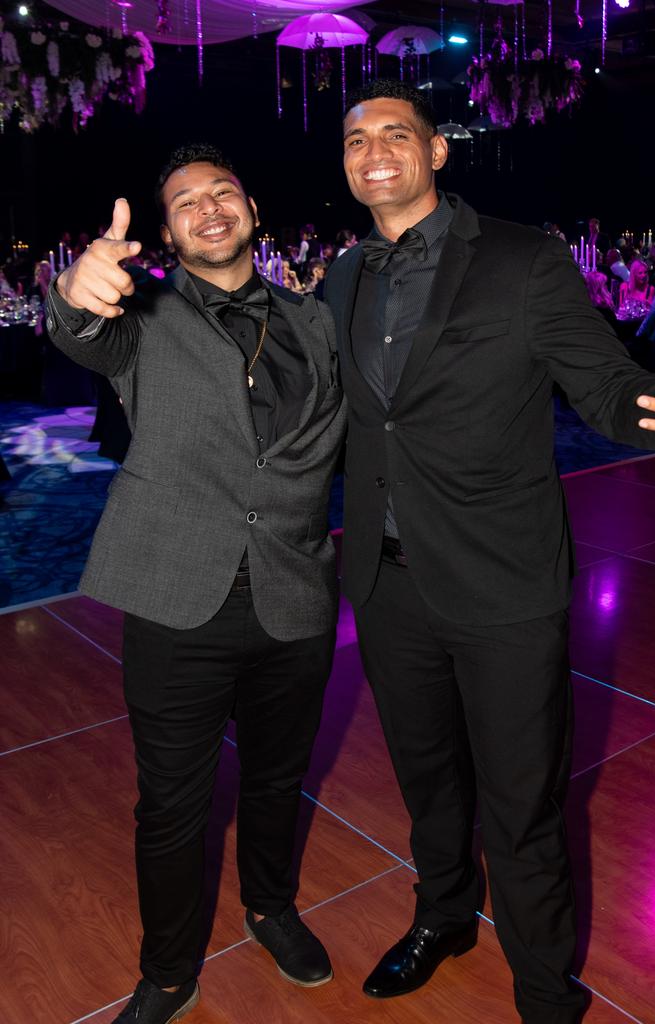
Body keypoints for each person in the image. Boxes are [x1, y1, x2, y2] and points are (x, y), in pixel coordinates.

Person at [323, 80, 655, 1024]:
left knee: (522, 803)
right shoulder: (343, 275)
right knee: (427, 782)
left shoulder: (521, 260)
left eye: (395, 133)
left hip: (503, 583)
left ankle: (546, 991)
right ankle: (445, 917)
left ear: (437, 152)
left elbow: (599, 389)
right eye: (355, 138)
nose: (373, 150)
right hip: (385, 582)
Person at [45, 143, 346, 1024]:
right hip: (180, 597)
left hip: (295, 593)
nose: (207, 208)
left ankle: (271, 907)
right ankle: (170, 970)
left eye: (222, 193)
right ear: (168, 231)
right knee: (171, 805)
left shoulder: (316, 319)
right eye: (185, 202)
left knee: (277, 779)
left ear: (251, 206)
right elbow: (82, 331)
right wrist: (76, 290)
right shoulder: (145, 317)